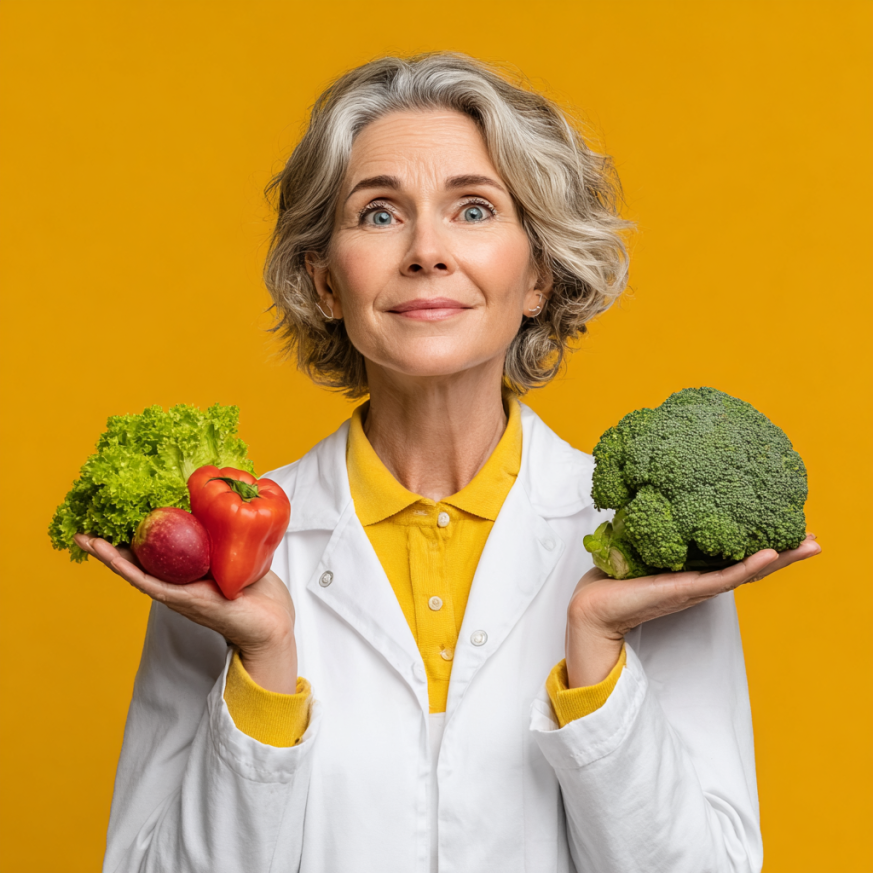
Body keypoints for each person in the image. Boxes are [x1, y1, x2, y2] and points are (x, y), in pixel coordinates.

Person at [78, 53, 820, 873]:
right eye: (379, 214)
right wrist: (262, 664)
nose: (427, 250)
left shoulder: (645, 540)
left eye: (473, 209)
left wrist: (598, 648)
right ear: (325, 281)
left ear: (537, 273)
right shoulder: (226, 547)